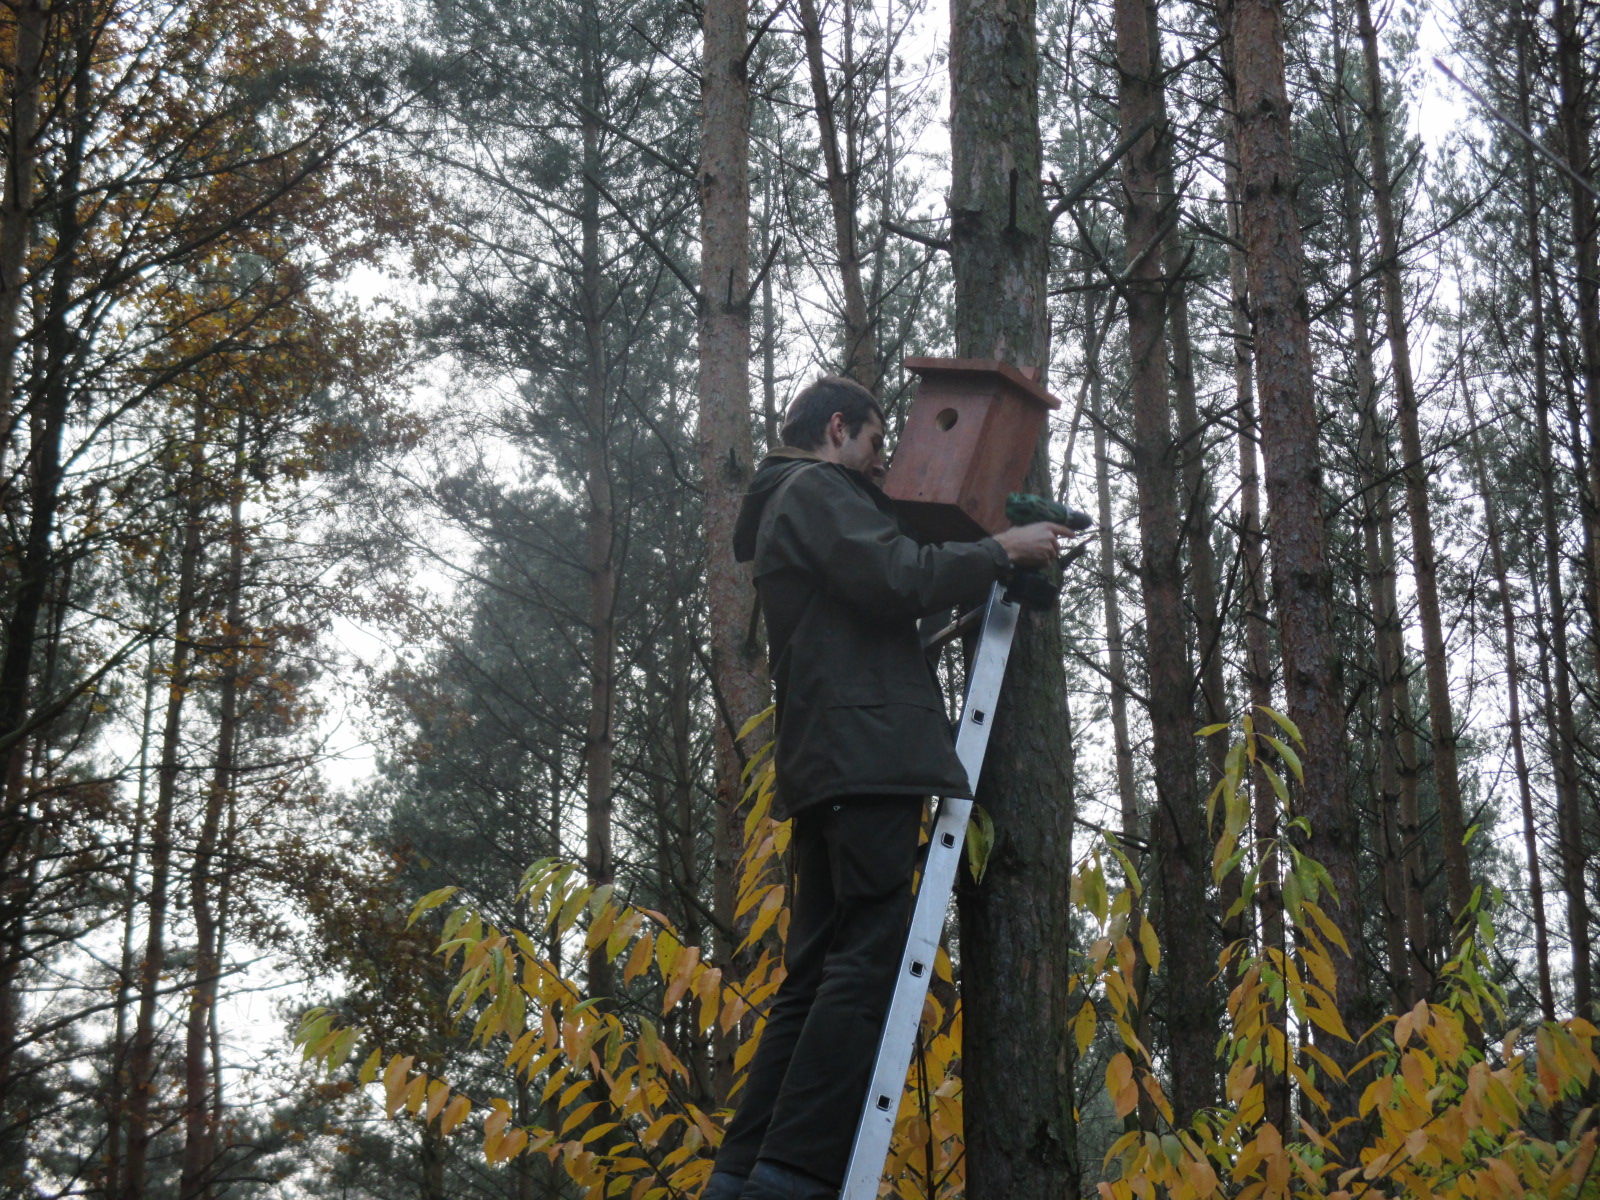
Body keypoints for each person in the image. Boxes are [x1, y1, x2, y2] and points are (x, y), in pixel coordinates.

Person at [706, 376, 1071, 1200]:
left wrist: (981, 581)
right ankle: (796, 1173)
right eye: (875, 444)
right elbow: (896, 575)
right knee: (865, 961)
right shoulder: (812, 490)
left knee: (812, 976)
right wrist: (1001, 551)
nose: (880, 467)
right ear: (838, 428)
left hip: (830, 759)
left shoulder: (791, 506)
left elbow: (877, 608)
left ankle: (743, 1174)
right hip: (864, 757)